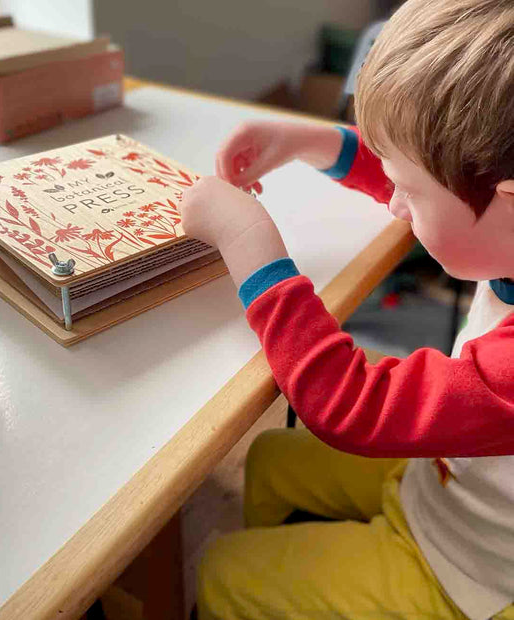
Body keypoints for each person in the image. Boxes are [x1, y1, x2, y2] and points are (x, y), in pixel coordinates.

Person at [178, 1, 514, 619]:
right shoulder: (502, 224)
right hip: (449, 489)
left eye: (408, 194)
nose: (396, 206)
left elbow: (352, 405)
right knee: (271, 459)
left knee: (225, 571)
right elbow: (438, 175)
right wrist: (310, 140)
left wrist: (251, 248)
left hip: (469, 580)